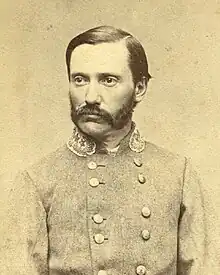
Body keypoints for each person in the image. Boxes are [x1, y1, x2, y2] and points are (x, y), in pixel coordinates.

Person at [1, 26, 206, 275]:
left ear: (139, 88)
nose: (90, 96)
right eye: (80, 79)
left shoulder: (178, 174)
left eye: (108, 80)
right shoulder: (36, 180)